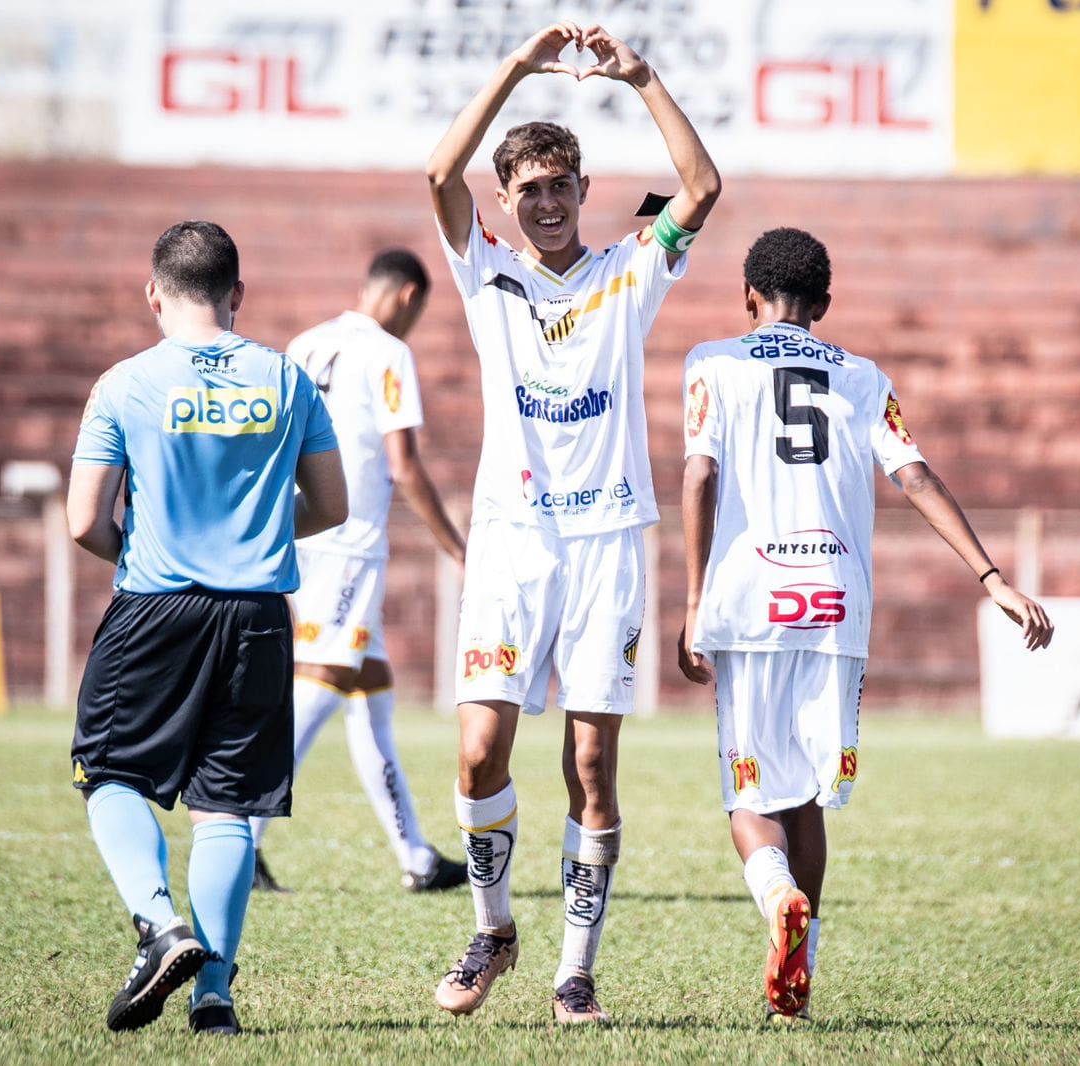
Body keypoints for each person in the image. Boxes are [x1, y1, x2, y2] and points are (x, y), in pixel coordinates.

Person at [677, 228, 1054, 1021]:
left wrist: (691, 600)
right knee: (809, 794)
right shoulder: (862, 376)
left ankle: (778, 898)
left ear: (748, 296)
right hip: (836, 602)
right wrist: (992, 578)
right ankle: (801, 970)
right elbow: (915, 475)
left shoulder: (712, 362)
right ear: (822, 304)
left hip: (751, 600)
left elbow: (700, 473)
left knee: (752, 794)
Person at [424, 20, 720, 1024]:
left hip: (607, 544)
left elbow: (701, 187)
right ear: (505, 201)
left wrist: (640, 77)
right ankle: (494, 930)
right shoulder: (485, 272)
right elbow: (438, 174)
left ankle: (574, 971)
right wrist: (517, 66)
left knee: (592, 765)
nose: (546, 203)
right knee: (478, 752)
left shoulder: (629, 271)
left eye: (560, 186)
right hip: (512, 538)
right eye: (528, 190)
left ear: (583, 190)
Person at [65, 220, 347, 1036]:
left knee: (111, 774)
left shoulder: (124, 384)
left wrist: (143, 550)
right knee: (225, 807)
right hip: (257, 616)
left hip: (157, 608)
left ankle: (160, 927)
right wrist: (251, 536)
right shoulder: (288, 379)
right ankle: (214, 996)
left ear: (154, 294)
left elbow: (84, 521)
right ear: (238, 293)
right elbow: (332, 505)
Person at [248, 248, 469, 895]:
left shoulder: (305, 344)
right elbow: (403, 464)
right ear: (408, 296)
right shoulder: (388, 353)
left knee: (372, 696)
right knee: (321, 681)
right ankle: (241, 836)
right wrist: (457, 549)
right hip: (349, 542)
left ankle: (417, 858)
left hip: (302, 528)